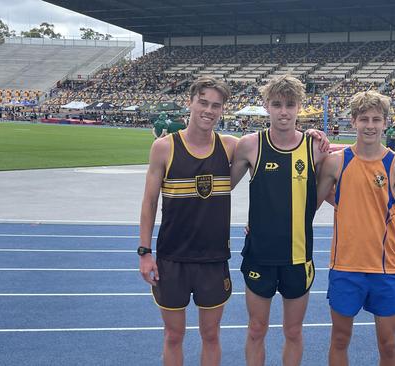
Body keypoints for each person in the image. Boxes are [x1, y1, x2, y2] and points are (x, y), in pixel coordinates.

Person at [139, 76, 239, 366]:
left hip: (213, 258)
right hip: (172, 258)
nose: (209, 110)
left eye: (216, 105)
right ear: (191, 102)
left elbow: (275, 141)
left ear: (223, 110)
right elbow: (149, 203)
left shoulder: (231, 146)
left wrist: (312, 133)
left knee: (211, 334)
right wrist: (145, 252)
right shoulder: (164, 148)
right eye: (203, 102)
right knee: (173, 335)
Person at [230, 75, 328, 366]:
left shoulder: (315, 148)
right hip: (260, 255)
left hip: (298, 256)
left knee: (293, 331)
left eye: (290, 104)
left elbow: (330, 188)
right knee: (257, 329)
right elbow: (221, 186)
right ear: (266, 106)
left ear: (300, 107)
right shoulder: (250, 145)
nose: (283, 111)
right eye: (276, 104)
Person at [315, 90, 395, 366]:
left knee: (389, 344)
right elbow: (313, 201)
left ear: (385, 123)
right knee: (339, 339)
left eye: (376, 119)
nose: (370, 125)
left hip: (385, 268)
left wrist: (386, 231)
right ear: (353, 122)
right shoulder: (336, 162)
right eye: (363, 119)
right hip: (345, 266)